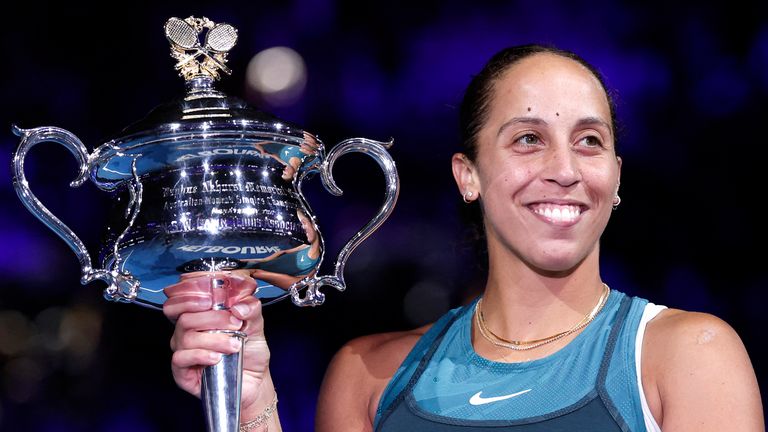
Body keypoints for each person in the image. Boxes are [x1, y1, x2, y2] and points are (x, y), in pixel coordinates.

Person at [163, 45, 764, 431]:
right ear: (467, 175)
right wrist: (248, 407)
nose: (566, 168)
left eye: (590, 141)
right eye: (528, 139)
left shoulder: (688, 357)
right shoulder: (367, 376)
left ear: (616, 177)